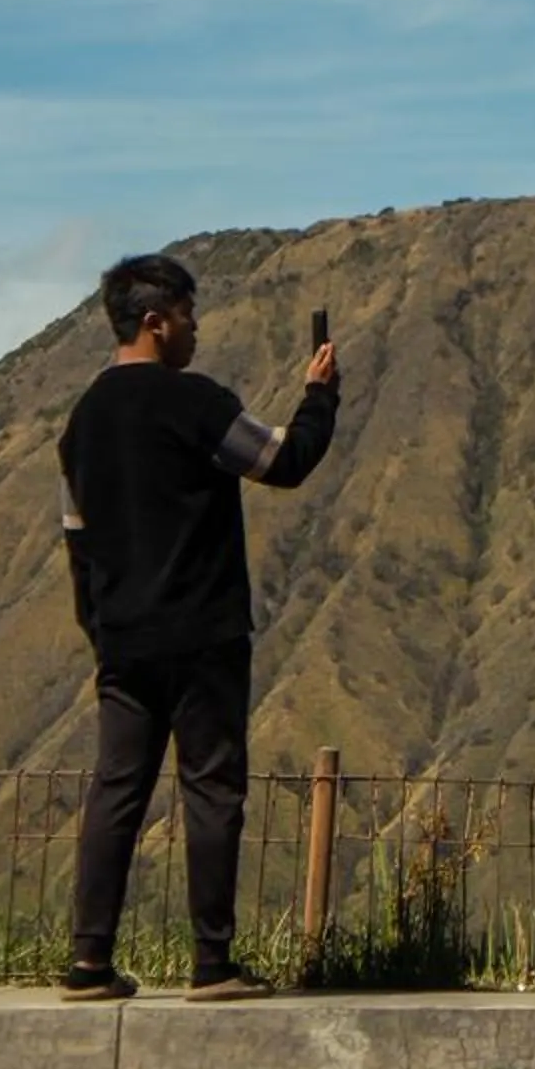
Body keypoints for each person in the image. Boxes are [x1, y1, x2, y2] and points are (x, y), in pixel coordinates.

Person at [57, 252, 339, 1001]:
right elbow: (286, 461)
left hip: (122, 640)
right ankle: (211, 962)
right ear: (155, 320)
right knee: (211, 790)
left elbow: (77, 541)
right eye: (187, 315)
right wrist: (320, 397)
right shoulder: (194, 403)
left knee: (116, 790)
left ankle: (90, 961)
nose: (195, 330)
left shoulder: (82, 422)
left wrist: (102, 629)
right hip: (203, 634)